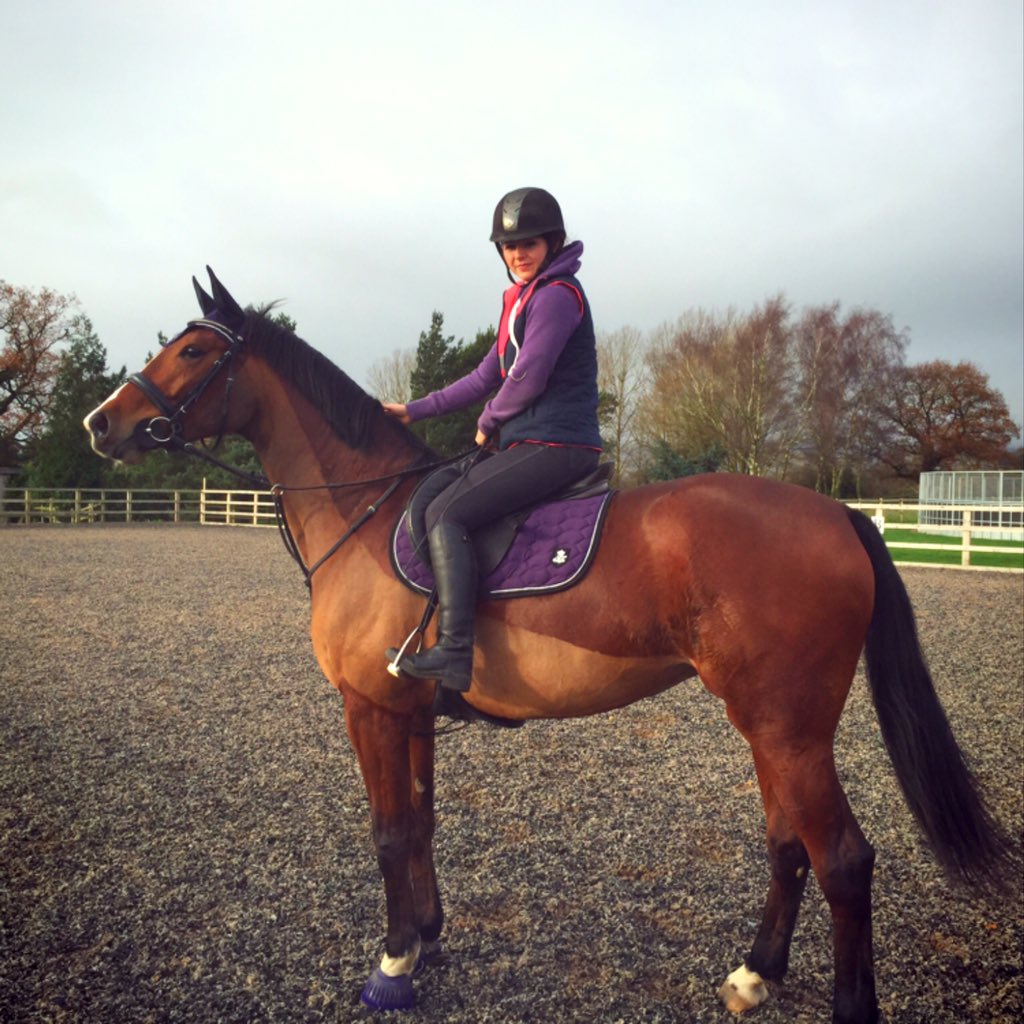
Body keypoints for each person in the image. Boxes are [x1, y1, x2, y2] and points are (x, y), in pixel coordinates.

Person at [382, 186, 602, 695]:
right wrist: (414, 410)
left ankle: (455, 651)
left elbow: (528, 376)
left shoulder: (556, 296)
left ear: (551, 243)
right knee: (433, 496)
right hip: (526, 445)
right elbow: (486, 374)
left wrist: (488, 420)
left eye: (528, 243)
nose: (518, 253)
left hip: (557, 445)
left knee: (448, 514)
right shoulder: (520, 301)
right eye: (509, 246)